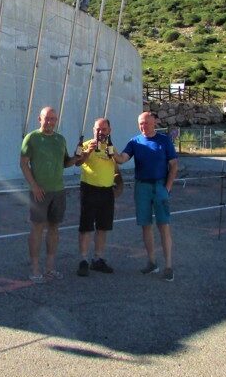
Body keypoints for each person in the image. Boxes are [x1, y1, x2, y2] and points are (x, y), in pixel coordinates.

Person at [113, 111, 178, 281]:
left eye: (146, 123)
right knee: (145, 225)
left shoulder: (164, 141)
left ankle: (169, 265)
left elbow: (174, 165)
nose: (143, 126)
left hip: (159, 186)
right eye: (141, 123)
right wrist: (110, 148)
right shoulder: (135, 142)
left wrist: (168, 188)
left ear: (154, 123)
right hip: (141, 186)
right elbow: (122, 159)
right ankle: (151, 262)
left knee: (163, 225)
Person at [20, 106, 83, 282]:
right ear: (39, 119)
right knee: (37, 228)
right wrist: (34, 186)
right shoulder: (31, 138)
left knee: (54, 228)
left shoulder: (60, 139)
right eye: (47, 118)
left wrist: (78, 157)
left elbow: (66, 163)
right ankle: (34, 269)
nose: (50, 122)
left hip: (58, 191)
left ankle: (49, 268)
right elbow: (24, 163)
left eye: (53, 119)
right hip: (39, 192)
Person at [76, 118, 121, 277]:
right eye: (98, 129)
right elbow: (77, 161)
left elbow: (120, 161)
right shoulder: (85, 144)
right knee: (86, 227)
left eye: (104, 129)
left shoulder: (111, 147)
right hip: (89, 189)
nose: (101, 132)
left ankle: (98, 259)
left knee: (103, 227)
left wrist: (112, 153)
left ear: (109, 131)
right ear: (93, 129)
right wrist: (88, 151)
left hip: (107, 191)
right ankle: (83, 260)